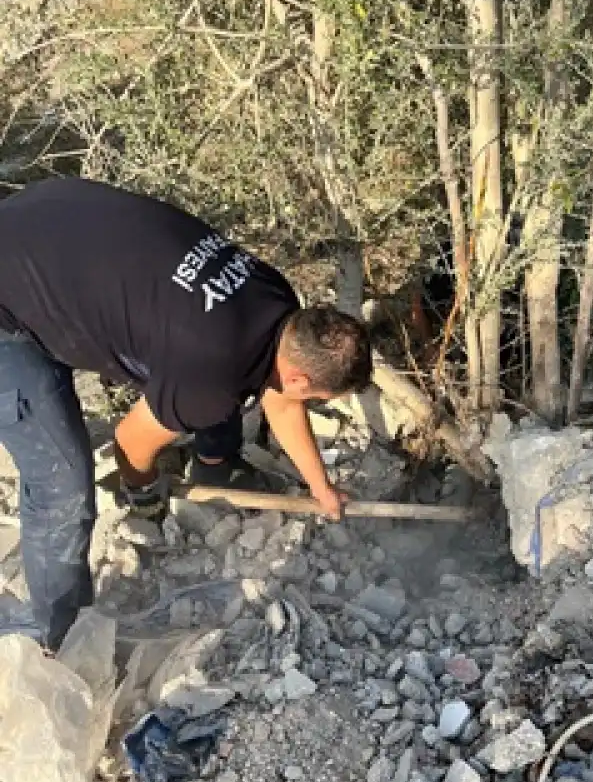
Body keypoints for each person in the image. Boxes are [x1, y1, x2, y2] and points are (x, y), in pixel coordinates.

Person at [0, 177, 372, 649]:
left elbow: (279, 397)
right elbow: (130, 443)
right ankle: (66, 643)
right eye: (319, 399)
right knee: (61, 489)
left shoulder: (276, 300)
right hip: (8, 300)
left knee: (210, 389)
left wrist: (320, 487)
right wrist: (145, 497)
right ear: (301, 376)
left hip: (47, 213)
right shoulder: (209, 371)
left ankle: (216, 464)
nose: (311, 404)